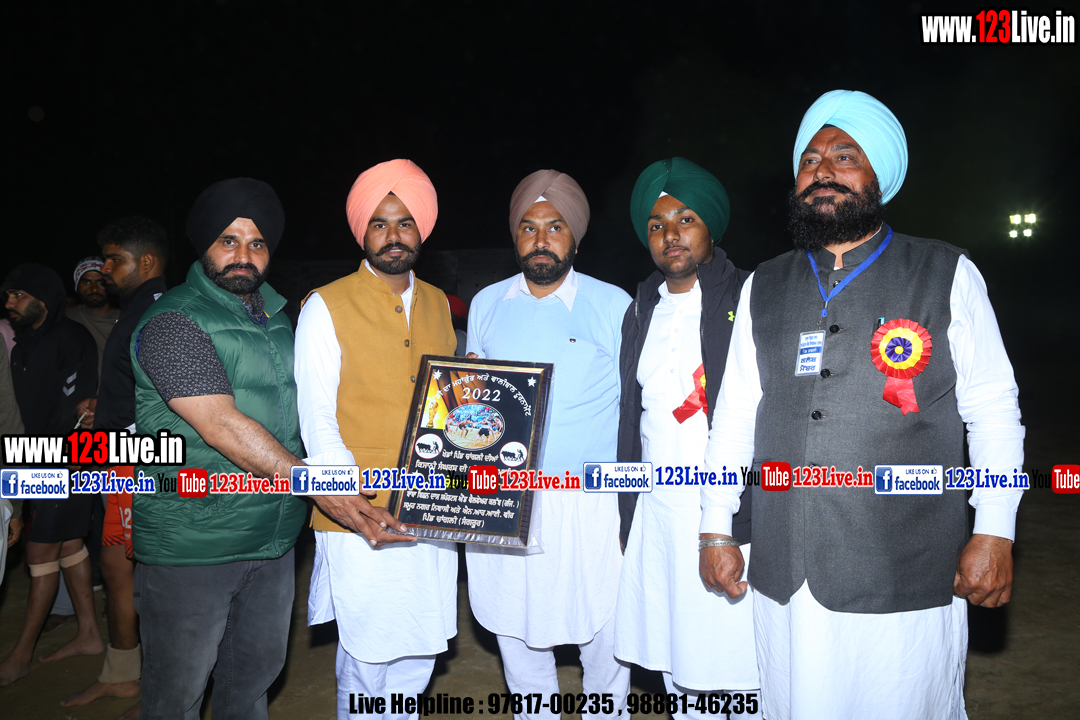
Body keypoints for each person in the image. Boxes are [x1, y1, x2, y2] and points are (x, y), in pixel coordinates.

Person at [701, 90, 1025, 720]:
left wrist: (994, 530)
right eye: (810, 159)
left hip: (905, 571)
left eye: (844, 156)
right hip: (785, 570)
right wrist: (716, 526)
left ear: (881, 176)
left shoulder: (945, 272)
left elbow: (991, 409)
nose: (822, 170)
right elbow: (736, 415)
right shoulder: (763, 284)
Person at [130, 178, 380, 720]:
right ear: (204, 244)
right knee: (177, 696)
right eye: (229, 240)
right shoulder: (174, 320)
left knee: (250, 686)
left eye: (258, 243)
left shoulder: (279, 320)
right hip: (194, 544)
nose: (244, 255)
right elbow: (220, 424)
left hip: (272, 540)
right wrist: (321, 488)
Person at [295, 158, 457, 720]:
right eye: (380, 223)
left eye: (405, 222)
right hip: (359, 506)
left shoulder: (439, 303)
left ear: (422, 230)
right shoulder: (325, 304)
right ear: (362, 231)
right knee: (368, 652)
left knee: (419, 648)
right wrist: (349, 501)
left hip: (433, 502)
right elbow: (317, 416)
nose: (393, 235)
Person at [467, 170, 632, 720]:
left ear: (575, 237)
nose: (541, 240)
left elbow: (636, 406)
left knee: (605, 635)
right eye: (529, 227)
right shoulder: (487, 304)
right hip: (504, 499)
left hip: (590, 505)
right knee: (517, 633)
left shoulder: (613, 305)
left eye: (555, 227)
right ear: (515, 235)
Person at [615, 158, 759, 717]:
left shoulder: (750, 298)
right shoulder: (641, 308)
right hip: (657, 515)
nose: (670, 235)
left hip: (728, 516)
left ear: (711, 227)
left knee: (736, 671)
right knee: (678, 667)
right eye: (656, 225)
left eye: (685, 219)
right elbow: (632, 419)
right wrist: (628, 511)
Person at [60, 216, 169, 715]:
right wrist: (102, 408)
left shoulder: (159, 311)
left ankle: (160, 683)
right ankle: (124, 672)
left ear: (145, 262)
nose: (105, 269)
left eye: (113, 259)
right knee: (118, 565)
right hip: (121, 453)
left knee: (143, 569)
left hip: (140, 461)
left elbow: (172, 399)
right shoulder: (139, 310)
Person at [0, 263, 102, 685]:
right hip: (32, 460)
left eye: (18, 294)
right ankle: (90, 634)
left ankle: (20, 655)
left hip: (68, 461)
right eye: (8, 295)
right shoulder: (22, 344)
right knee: (70, 545)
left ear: (43, 299)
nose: (9, 302)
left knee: (39, 555)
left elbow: (76, 412)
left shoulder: (71, 338)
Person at [69, 255, 120, 392]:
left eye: (100, 282)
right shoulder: (67, 319)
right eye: (86, 282)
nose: (94, 289)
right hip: (80, 401)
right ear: (77, 285)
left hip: (120, 399)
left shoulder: (127, 319)